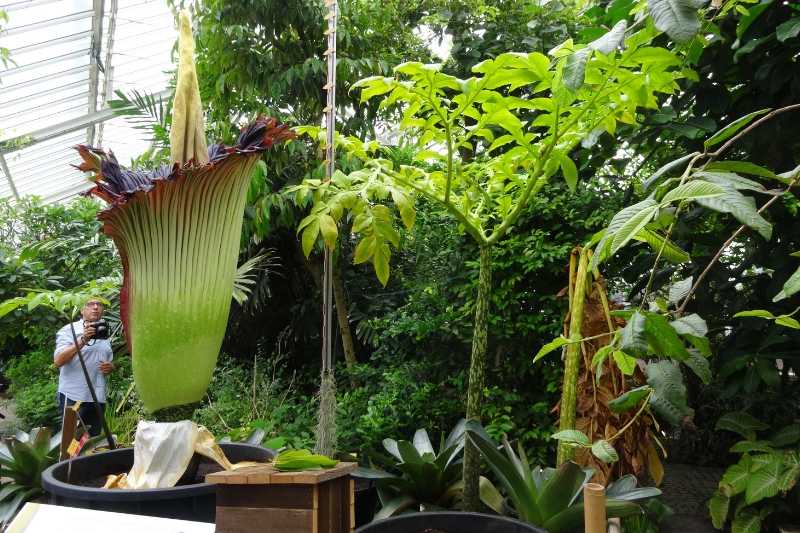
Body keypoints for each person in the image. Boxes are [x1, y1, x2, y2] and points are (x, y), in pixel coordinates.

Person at [54, 297, 114, 436]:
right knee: (72, 442)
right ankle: (71, 459)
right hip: (74, 396)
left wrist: (111, 367)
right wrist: (83, 340)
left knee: (91, 440)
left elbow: (106, 361)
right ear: (82, 310)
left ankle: (89, 458)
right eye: (90, 304)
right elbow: (58, 361)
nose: (95, 307)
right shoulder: (69, 330)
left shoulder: (104, 331)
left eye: (99, 304)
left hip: (97, 397)